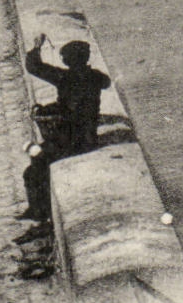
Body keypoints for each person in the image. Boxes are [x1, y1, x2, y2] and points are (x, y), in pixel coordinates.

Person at [18, 36, 112, 223]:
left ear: (67, 60)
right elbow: (106, 83)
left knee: (33, 170)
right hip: (87, 137)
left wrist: (36, 46)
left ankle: (39, 213)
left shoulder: (64, 78)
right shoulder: (96, 77)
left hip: (69, 139)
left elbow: (34, 67)